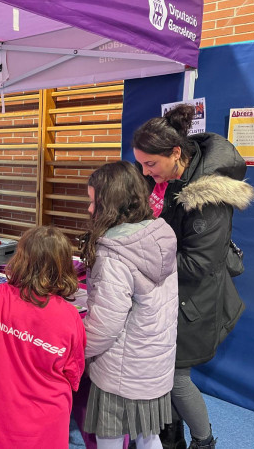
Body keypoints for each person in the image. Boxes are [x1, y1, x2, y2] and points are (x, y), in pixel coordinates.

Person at [132, 104, 254, 449]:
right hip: (170, 296)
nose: (145, 171)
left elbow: (197, 264)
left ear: (176, 153)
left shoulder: (209, 198)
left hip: (193, 301)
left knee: (176, 377)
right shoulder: (167, 178)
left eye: (151, 164)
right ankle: (171, 436)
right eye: (141, 164)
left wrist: (139, 265)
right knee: (164, 375)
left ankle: (204, 442)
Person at [0, 226, 86, 449]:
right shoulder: (71, 316)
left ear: (20, 258)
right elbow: (73, 372)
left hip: (5, 417)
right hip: (49, 418)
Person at [79, 161, 179, 449]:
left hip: (120, 372)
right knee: (148, 436)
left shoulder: (114, 254)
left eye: (94, 203)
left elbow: (105, 326)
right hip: (153, 366)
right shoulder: (159, 237)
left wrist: (77, 350)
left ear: (110, 204)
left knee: (108, 437)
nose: (89, 210)